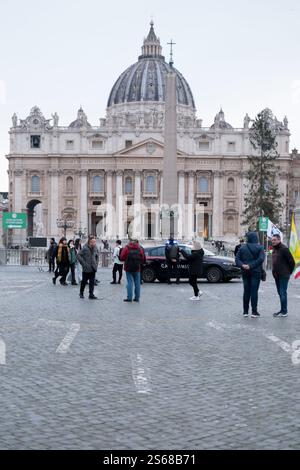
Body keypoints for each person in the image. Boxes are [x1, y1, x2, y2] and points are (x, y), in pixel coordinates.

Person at [235, 232, 265, 317]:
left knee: (246, 291)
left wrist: (243, 265)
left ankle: (245, 312)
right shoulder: (260, 247)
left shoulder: (242, 247)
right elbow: (261, 259)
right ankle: (254, 312)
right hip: (256, 272)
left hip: (245, 272)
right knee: (254, 291)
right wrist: (251, 266)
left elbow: (237, 260)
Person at [271, 234, 295, 317]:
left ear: (279, 240)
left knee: (282, 292)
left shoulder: (284, 249)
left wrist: (289, 272)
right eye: (272, 240)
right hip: (276, 275)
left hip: (284, 275)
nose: (273, 241)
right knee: (280, 293)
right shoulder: (274, 249)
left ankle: (284, 311)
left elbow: (292, 262)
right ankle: (282, 310)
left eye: (274, 240)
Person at [120, 238, 146, 302]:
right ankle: (137, 298)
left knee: (129, 282)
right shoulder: (139, 248)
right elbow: (143, 258)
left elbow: (122, 257)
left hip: (128, 267)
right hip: (137, 268)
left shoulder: (126, 248)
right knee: (137, 283)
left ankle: (129, 297)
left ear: (130, 241)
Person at [77, 235, 99, 299]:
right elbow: (78, 255)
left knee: (92, 282)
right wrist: (83, 263)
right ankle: (81, 292)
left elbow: (97, 256)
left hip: (93, 268)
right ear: (90, 242)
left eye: (95, 242)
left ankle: (91, 294)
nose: (94, 243)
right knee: (84, 281)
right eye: (93, 242)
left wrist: (96, 263)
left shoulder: (95, 248)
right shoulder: (85, 248)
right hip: (86, 268)